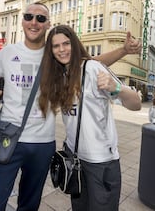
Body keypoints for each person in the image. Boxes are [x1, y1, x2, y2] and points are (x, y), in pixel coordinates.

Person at [0, 2, 142, 211]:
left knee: (30, 204)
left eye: (40, 18)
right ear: (22, 20)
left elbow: (88, 63)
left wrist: (122, 53)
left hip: (44, 144)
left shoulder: (53, 59)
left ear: (47, 23)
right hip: (10, 140)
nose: (34, 22)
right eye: (29, 16)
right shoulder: (7, 52)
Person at [38, 24, 141, 211]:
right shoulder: (60, 75)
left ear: (75, 44)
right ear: (51, 51)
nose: (62, 50)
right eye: (56, 46)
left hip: (101, 163)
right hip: (74, 159)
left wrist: (116, 88)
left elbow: (136, 103)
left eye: (66, 43)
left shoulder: (93, 68)